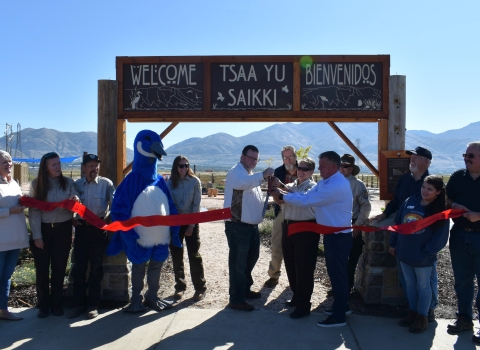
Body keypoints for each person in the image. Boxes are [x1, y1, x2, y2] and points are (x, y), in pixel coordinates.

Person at [271, 151, 353, 327]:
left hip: (338, 236)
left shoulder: (335, 185)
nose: (319, 169)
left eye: (322, 166)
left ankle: (339, 316)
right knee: (336, 274)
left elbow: (308, 201)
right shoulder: (327, 182)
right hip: (333, 234)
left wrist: (282, 196)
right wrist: (284, 189)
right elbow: (304, 196)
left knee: (338, 276)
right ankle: (341, 306)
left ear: (333, 166)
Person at [370, 146, 438, 322]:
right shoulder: (404, 180)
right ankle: (412, 310)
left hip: (423, 240)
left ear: (427, 162)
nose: (412, 160)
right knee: (406, 277)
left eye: (416, 157)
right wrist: (384, 215)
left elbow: (439, 219)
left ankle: (428, 311)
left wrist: (431, 247)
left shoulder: (433, 184)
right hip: (404, 238)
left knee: (427, 279)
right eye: (411, 157)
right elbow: (397, 202)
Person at [390, 176, 448, 333]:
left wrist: (427, 253)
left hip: (423, 257)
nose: (425, 191)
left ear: (438, 192)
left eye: (430, 189)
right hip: (404, 252)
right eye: (424, 187)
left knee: (423, 286)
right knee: (410, 284)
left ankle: (423, 316)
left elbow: (440, 237)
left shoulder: (440, 210)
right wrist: (393, 243)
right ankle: (413, 312)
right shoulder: (410, 201)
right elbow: (398, 223)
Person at [29, 151, 79, 318]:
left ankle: (57, 305)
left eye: (59, 163)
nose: (58, 167)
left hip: (63, 230)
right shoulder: (37, 185)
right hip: (43, 230)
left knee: (59, 268)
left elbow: (76, 201)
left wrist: (75, 201)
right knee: (42, 270)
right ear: (46, 167)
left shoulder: (68, 183)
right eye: (54, 164)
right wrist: (37, 235)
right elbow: (34, 211)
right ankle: (43, 305)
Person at [223, 145, 274, 311]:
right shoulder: (236, 173)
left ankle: (244, 290)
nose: (253, 161)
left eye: (255, 159)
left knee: (250, 258)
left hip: (250, 225)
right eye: (250, 158)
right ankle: (236, 298)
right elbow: (241, 184)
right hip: (238, 226)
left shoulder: (250, 174)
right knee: (238, 263)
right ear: (242, 156)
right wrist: (262, 175)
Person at [68, 154, 115, 319]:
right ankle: (78, 305)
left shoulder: (106, 184)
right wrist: (73, 221)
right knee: (79, 268)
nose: (94, 168)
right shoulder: (76, 185)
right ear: (83, 168)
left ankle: (93, 305)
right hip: (82, 230)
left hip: (98, 230)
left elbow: (113, 205)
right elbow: (69, 205)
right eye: (90, 166)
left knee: (96, 268)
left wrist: (107, 222)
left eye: (96, 165)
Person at [272, 157, 316, 319]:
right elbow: (281, 199)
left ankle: (304, 305)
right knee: (290, 264)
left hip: (306, 228)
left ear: (311, 172)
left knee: (304, 267)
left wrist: (280, 192)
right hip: (289, 225)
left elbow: (300, 199)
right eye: (300, 168)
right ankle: (297, 295)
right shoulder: (292, 185)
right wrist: (276, 189)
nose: (301, 171)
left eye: (305, 169)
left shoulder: (313, 187)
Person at [445, 141, 480, 343]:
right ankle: (464, 318)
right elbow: (447, 200)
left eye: (471, 156)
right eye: (465, 155)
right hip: (458, 235)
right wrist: (455, 204)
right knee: (462, 281)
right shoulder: (458, 177)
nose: (467, 159)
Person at [167, 155, 207, 301]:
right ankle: (180, 287)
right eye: (181, 166)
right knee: (177, 256)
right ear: (175, 167)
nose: (184, 168)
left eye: (186, 165)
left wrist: (191, 225)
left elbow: (196, 205)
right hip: (176, 224)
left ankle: (200, 287)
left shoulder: (195, 181)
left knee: (194, 255)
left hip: (191, 222)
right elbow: (168, 203)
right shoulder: (170, 183)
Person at [0, 150, 29, 321]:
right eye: (4, 162)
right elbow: (10, 209)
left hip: (15, 239)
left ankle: (3, 310)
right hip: (1, 240)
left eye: (10, 161)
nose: (9, 164)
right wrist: (9, 211)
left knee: (6, 276)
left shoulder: (14, 183)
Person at [264, 145, 297, 289]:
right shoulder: (277, 171)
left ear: (295, 157)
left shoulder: (303, 170)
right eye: (285, 157)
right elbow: (272, 191)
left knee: (296, 247)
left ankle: (295, 277)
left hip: (298, 212)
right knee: (277, 244)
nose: (288, 159)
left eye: (290, 156)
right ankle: (273, 275)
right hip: (281, 209)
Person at [339, 154, 371, 294]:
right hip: (336, 224)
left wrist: (358, 225)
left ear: (351, 169)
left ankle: (347, 288)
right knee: (338, 259)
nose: (342, 169)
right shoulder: (333, 183)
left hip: (352, 224)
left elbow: (365, 206)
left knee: (351, 260)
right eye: (340, 165)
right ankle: (338, 287)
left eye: (345, 166)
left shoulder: (358, 185)